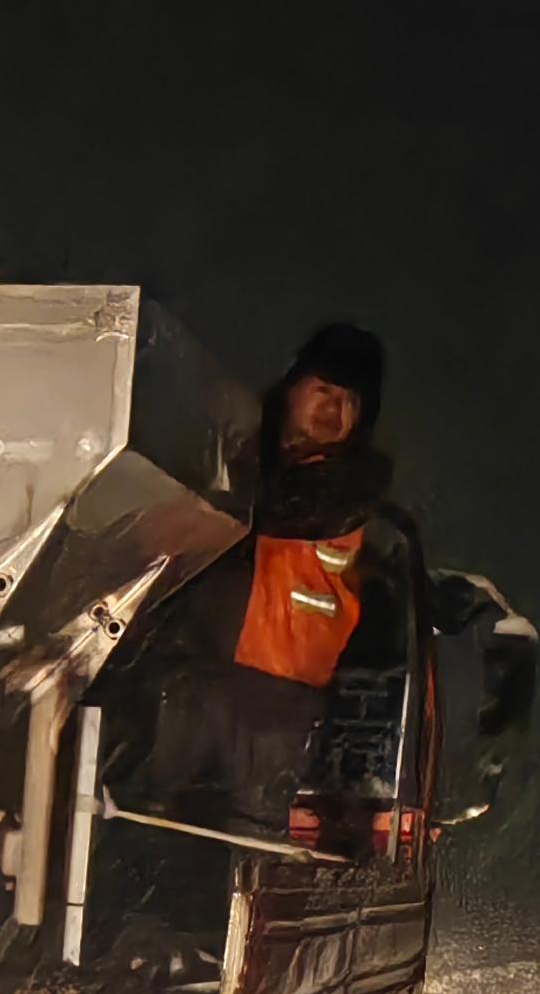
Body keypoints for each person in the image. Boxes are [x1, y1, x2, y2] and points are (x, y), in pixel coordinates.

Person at [118, 321, 419, 842]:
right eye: (322, 388)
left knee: (236, 858)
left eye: (350, 400)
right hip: (181, 691)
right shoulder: (225, 459)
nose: (333, 406)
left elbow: (285, 509)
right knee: (132, 831)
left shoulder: (352, 495)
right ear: (292, 388)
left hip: (275, 720)